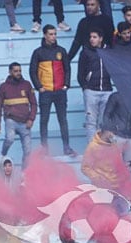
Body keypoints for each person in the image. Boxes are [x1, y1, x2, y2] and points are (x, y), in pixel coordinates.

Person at [30, 25, 77, 157]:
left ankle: (66, 147)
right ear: (44, 35)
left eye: (55, 34)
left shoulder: (61, 51)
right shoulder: (38, 52)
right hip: (46, 92)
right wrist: (39, 87)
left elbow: (67, 69)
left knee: (63, 120)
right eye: (50, 34)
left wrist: (66, 85)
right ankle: (44, 149)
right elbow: (32, 71)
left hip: (60, 92)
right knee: (44, 121)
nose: (53, 36)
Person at [0, 62, 36, 169]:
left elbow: (34, 103)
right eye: (15, 71)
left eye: (20, 71)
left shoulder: (27, 85)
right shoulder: (3, 87)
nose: (18, 73)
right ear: (10, 72)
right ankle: (2, 155)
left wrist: (31, 119)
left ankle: (23, 175)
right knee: (10, 139)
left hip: (25, 122)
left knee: (28, 151)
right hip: (11, 120)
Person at [78, 29, 113, 143]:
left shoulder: (108, 50)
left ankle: (103, 148)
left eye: (95, 37)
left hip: (107, 91)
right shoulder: (85, 52)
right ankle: (92, 150)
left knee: (105, 122)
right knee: (91, 122)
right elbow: (80, 73)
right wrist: (85, 87)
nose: (92, 39)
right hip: (91, 91)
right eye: (91, 37)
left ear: (101, 38)